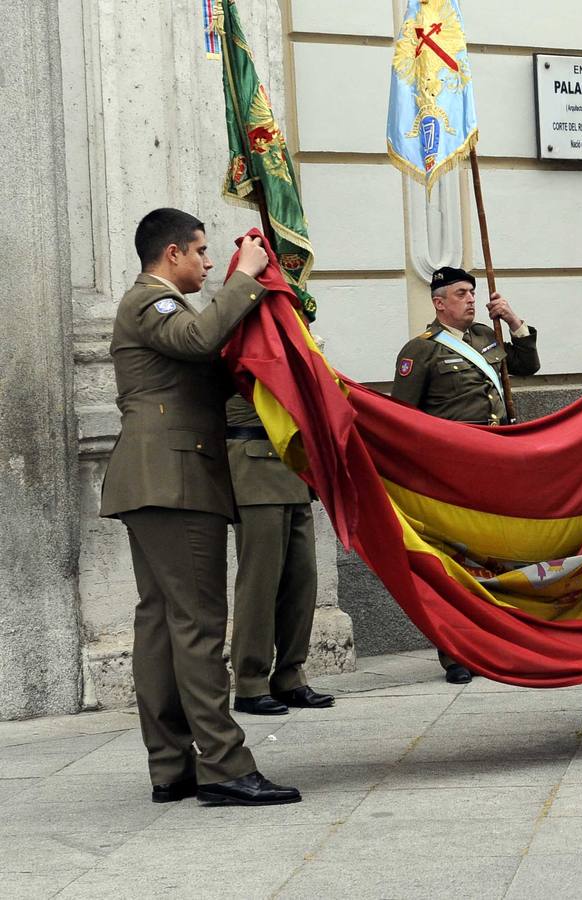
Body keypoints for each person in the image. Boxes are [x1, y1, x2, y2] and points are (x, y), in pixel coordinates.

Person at [99, 208, 300, 806]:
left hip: (161, 480)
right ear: (172, 255)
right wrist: (248, 275)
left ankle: (171, 764)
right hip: (174, 480)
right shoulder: (149, 302)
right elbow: (198, 338)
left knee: (162, 624)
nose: (210, 264)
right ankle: (224, 764)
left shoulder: (162, 304)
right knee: (197, 626)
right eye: (203, 253)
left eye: (216, 256)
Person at [390, 266, 540, 683]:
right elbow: (403, 419)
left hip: (498, 463)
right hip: (452, 473)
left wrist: (514, 322)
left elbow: (528, 365)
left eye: (472, 292)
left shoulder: (487, 337)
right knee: (457, 562)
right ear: (439, 303)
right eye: (461, 293)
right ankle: (457, 651)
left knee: (504, 554)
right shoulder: (420, 351)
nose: (471, 299)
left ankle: (505, 640)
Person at [226, 393, 335, 716]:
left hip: (293, 466)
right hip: (253, 466)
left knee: (302, 580)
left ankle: (290, 675)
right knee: (260, 583)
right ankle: (251, 683)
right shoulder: (228, 342)